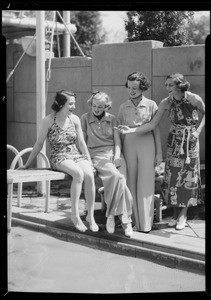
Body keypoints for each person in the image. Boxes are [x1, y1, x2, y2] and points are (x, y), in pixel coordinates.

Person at [118, 73, 205, 230]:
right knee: (172, 177)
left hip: (190, 141)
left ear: (180, 85)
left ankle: (183, 215)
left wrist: (198, 131)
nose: (167, 88)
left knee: (188, 177)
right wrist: (131, 131)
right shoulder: (166, 102)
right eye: (166, 85)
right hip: (173, 140)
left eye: (170, 85)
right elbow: (152, 125)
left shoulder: (194, 98)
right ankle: (174, 214)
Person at [20, 90, 99, 233]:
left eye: (74, 103)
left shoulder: (74, 119)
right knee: (78, 173)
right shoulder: (48, 121)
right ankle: (75, 215)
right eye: (71, 103)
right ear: (61, 104)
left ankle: (90, 216)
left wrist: (89, 161)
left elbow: (81, 143)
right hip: (59, 156)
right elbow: (39, 144)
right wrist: (27, 164)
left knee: (89, 174)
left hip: (76, 155)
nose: (74, 106)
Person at [80, 91, 133, 237]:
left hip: (114, 154)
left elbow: (117, 142)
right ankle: (124, 220)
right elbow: (82, 142)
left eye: (100, 107)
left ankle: (113, 216)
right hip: (97, 154)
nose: (96, 109)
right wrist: (88, 161)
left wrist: (117, 157)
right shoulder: (84, 118)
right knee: (116, 176)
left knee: (121, 180)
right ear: (91, 104)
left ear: (106, 106)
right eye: (94, 106)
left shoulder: (113, 119)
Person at [117, 72, 163, 233]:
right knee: (131, 183)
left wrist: (159, 154)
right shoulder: (123, 107)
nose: (132, 91)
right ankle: (133, 222)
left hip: (147, 144)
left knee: (146, 184)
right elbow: (119, 132)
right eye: (129, 87)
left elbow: (156, 129)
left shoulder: (151, 104)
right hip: (129, 145)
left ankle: (145, 225)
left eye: (135, 88)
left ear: (142, 87)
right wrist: (119, 154)